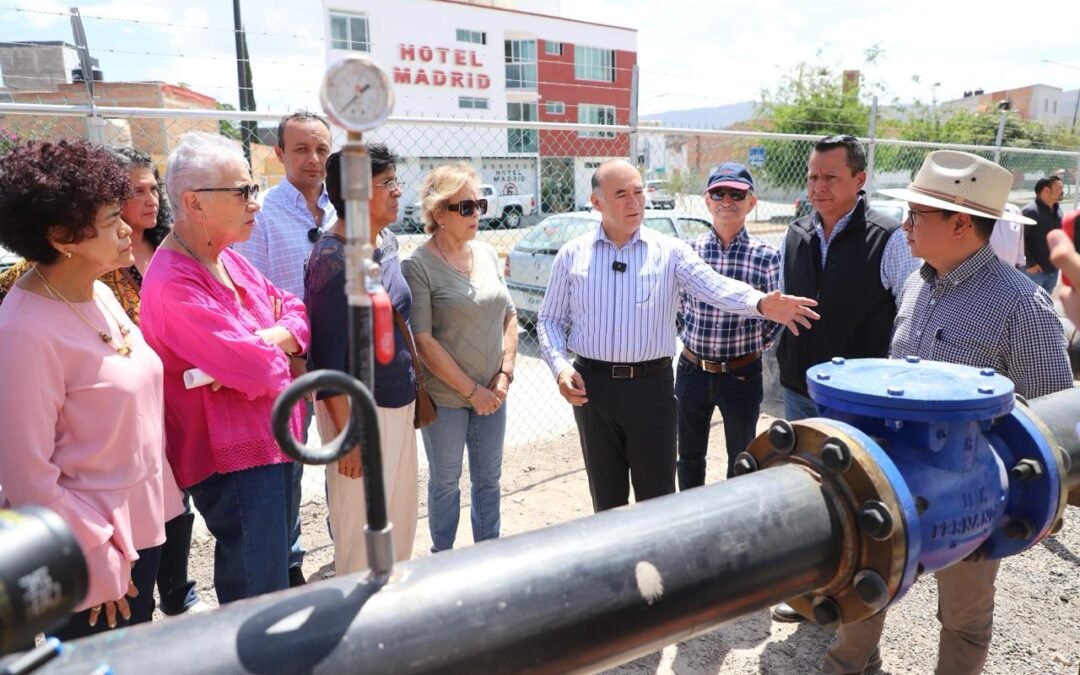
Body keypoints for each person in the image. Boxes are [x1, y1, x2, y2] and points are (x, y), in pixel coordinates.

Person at [822, 150, 1073, 675]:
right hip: (893, 478)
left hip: (971, 493)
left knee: (964, 614)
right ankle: (849, 665)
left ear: (961, 223)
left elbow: (1053, 416)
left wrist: (1046, 505)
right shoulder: (918, 282)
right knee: (869, 581)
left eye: (917, 216)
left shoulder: (1020, 306)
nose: (905, 226)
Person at [537, 159, 819, 513]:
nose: (633, 202)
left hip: (650, 389)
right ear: (597, 203)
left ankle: (660, 567)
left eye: (638, 192)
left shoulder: (668, 251)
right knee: (606, 500)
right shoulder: (572, 255)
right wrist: (560, 367)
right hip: (592, 390)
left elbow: (713, 286)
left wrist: (760, 302)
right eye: (621, 194)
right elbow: (548, 319)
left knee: (657, 499)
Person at [0, 138, 181, 640]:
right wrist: (98, 560)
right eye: (110, 220)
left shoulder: (98, 289)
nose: (128, 228)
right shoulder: (23, 332)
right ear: (62, 237)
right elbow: (28, 478)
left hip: (141, 526)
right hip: (89, 549)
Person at [140, 131, 310, 604]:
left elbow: (293, 309)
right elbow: (259, 371)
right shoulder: (175, 282)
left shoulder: (225, 258)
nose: (255, 202)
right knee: (256, 589)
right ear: (194, 203)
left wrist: (273, 339)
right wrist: (279, 346)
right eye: (243, 191)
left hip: (269, 442)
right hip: (233, 457)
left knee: (272, 573)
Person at [305, 146, 418, 574]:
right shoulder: (332, 261)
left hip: (397, 404)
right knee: (361, 539)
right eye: (386, 183)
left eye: (394, 181)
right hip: (357, 413)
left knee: (400, 526)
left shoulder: (384, 241)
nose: (397, 192)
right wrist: (349, 437)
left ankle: (393, 623)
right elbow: (327, 363)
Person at [233, 111, 335, 587]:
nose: (313, 160)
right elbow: (249, 300)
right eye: (301, 149)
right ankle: (289, 564)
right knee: (288, 469)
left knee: (349, 457)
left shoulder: (343, 210)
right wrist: (291, 357)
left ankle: (348, 543)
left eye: (321, 149)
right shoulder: (264, 215)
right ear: (278, 154)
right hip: (289, 369)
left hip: (342, 363)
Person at [402, 162, 518, 553]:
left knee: (488, 480)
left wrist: (503, 376)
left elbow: (509, 315)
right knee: (446, 481)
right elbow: (423, 340)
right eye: (465, 207)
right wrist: (472, 392)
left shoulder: (486, 252)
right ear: (438, 214)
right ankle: (443, 560)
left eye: (479, 204)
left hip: (494, 393)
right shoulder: (418, 266)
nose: (477, 214)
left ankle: (489, 556)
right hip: (449, 399)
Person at [777, 134, 920, 424]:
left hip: (858, 396)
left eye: (831, 177)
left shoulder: (889, 238)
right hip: (798, 390)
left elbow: (911, 318)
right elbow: (784, 303)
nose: (818, 187)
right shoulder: (794, 234)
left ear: (860, 179)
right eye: (812, 177)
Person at [676, 163, 781, 487]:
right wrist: (691, 338)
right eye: (718, 193)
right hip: (692, 371)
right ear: (707, 201)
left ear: (751, 202)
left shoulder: (766, 256)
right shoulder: (688, 252)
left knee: (741, 460)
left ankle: (733, 528)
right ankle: (693, 524)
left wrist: (750, 347)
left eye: (736, 194)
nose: (727, 200)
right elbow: (678, 307)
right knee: (689, 457)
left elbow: (775, 317)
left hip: (741, 374)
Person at [1022, 174, 1064, 294]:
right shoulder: (1030, 211)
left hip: (1053, 270)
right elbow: (1020, 240)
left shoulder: (1058, 210)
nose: (1062, 191)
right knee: (1030, 307)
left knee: (1046, 306)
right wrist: (1031, 264)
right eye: (1059, 188)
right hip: (1035, 272)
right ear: (1046, 190)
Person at [989, 202, 1026, 269]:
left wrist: (1019, 262)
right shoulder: (974, 210)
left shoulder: (1015, 210)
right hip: (985, 271)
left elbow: (1020, 240)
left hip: (1011, 270)